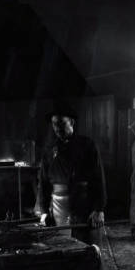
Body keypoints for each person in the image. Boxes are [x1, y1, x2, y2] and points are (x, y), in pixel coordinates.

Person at [36, 101, 106, 243]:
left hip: (83, 206)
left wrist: (99, 209)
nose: (57, 128)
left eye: (61, 123)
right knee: (62, 247)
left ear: (72, 122)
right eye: (54, 124)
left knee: (87, 247)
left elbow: (98, 178)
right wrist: (43, 211)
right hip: (58, 209)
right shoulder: (50, 150)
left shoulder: (87, 145)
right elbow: (43, 183)